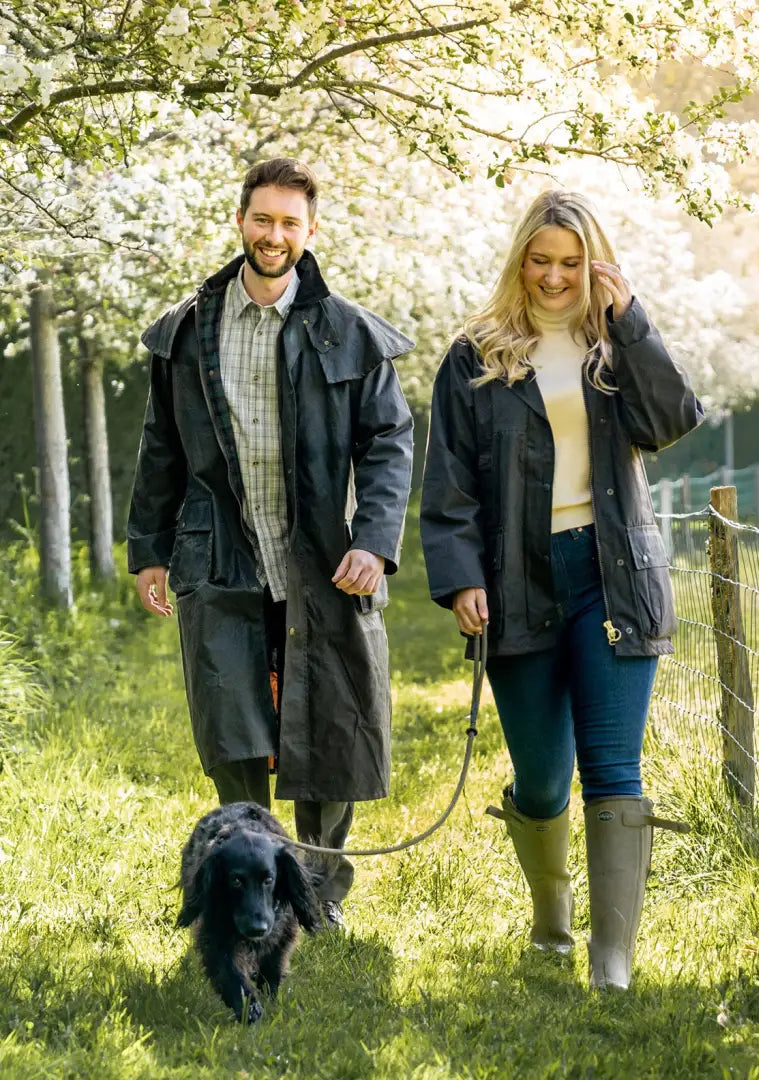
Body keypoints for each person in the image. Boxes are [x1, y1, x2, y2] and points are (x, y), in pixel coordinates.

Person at [420, 189, 704, 989]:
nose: (554, 278)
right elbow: (447, 488)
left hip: (613, 578)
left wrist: (633, 320)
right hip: (516, 579)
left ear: (595, 264)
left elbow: (673, 419)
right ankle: (553, 917)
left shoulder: (615, 345)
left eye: (572, 263)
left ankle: (612, 961)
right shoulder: (475, 354)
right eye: (541, 262)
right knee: (543, 779)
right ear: (521, 260)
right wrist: (460, 579)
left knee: (613, 769)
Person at [127, 158, 414, 929]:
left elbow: (388, 441)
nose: (275, 235)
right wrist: (149, 548)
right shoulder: (190, 332)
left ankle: (316, 888)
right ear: (241, 222)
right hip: (220, 555)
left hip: (325, 561)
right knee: (235, 729)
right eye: (263, 219)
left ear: (311, 232)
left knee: (332, 726)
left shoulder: (345, 332)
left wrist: (375, 541)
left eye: (290, 222)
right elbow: (161, 447)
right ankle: (254, 880)